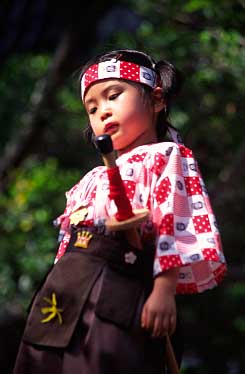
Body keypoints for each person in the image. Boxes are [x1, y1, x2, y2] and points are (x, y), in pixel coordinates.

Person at [14, 49, 227, 374]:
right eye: (92, 107)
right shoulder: (92, 177)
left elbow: (171, 222)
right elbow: (67, 246)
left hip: (116, 287)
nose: (103, 111)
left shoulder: (165, 156)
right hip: (62, 293)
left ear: (156, 100)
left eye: (114, 96)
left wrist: (164, 289)